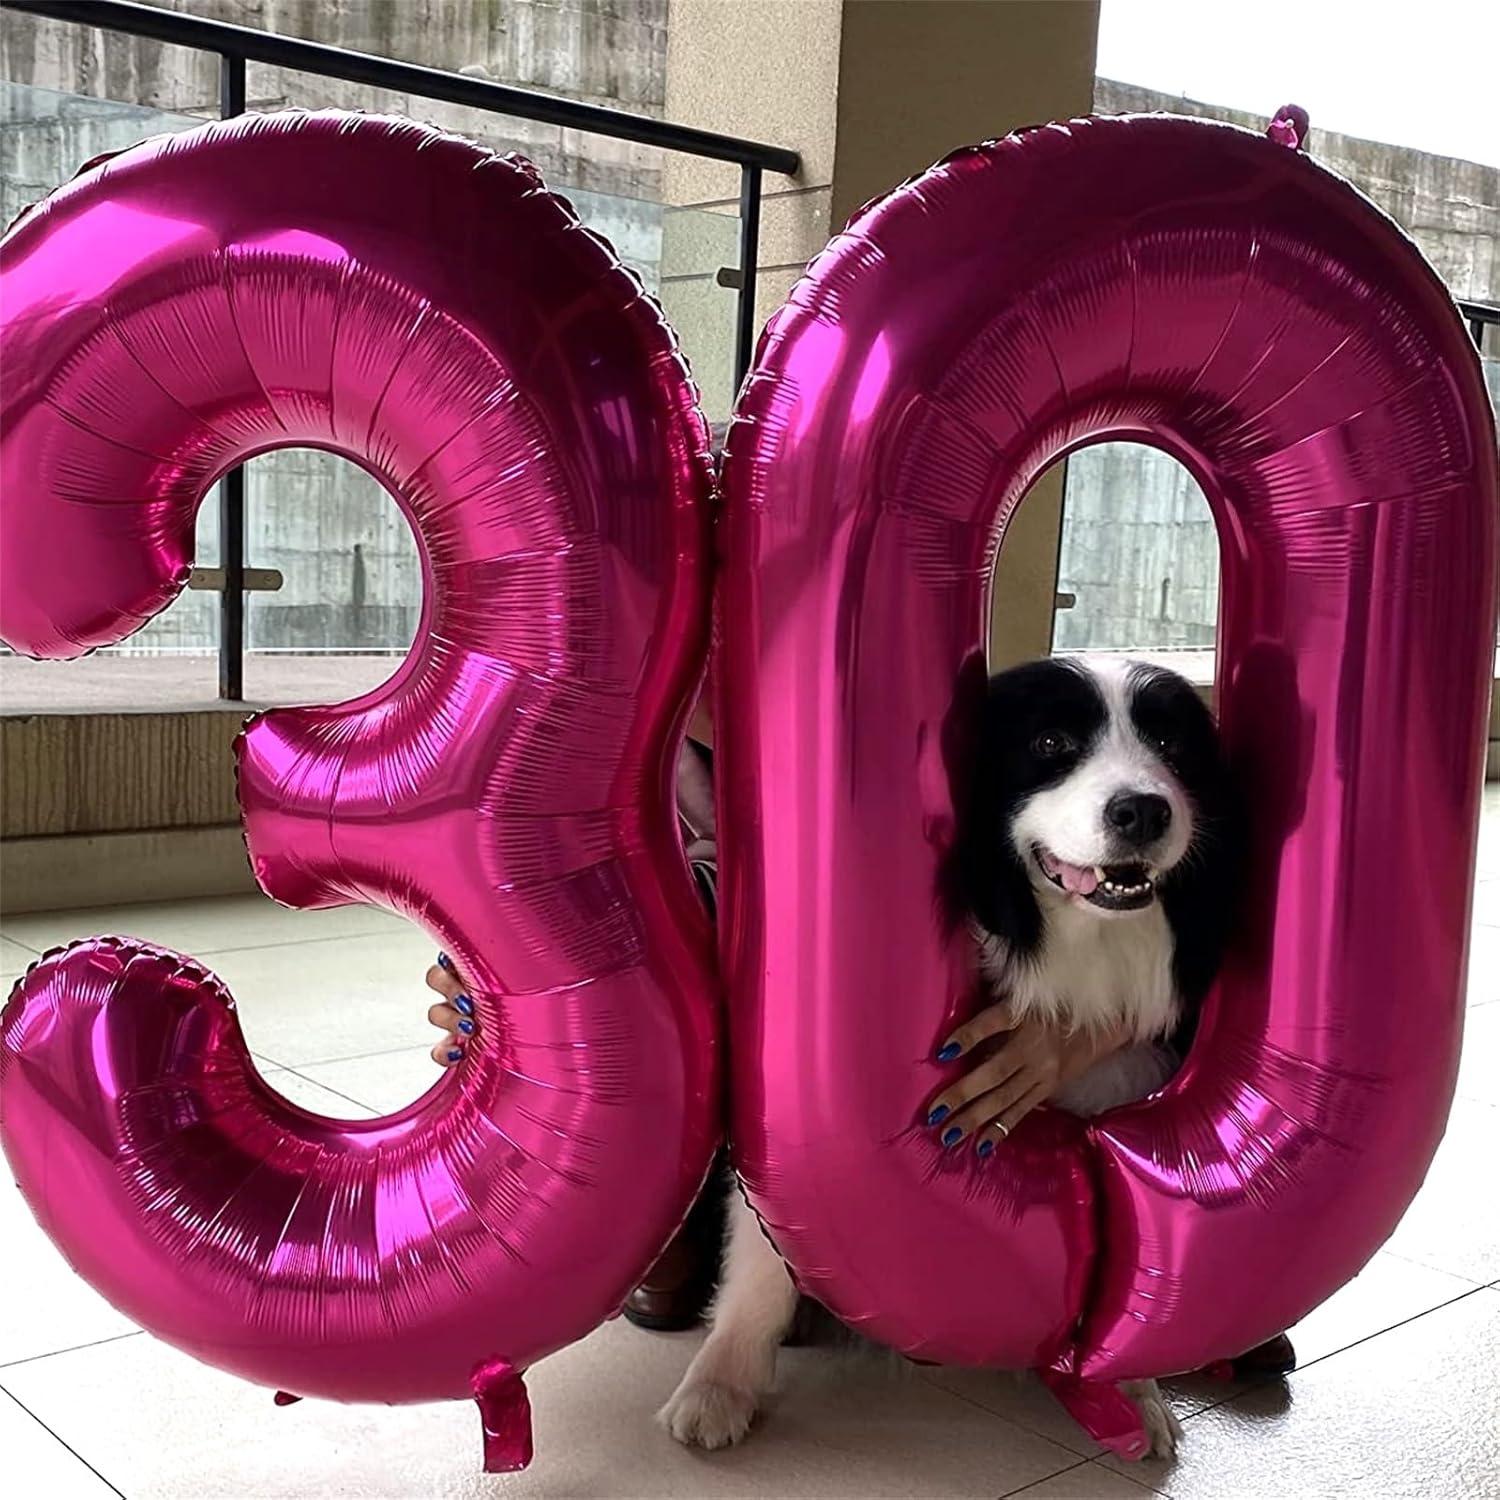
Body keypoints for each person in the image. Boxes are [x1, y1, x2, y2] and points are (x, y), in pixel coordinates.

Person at [420, 690, 1295, 1379]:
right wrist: (507, 999)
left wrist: (1094, 1030)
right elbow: (551, 897)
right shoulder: (576, 727)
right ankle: (696, 1229)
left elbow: (1226, 939)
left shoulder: (888, 704)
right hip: (724, 957)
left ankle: (1184, 1273)